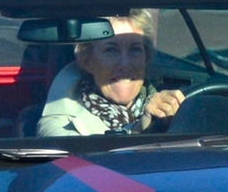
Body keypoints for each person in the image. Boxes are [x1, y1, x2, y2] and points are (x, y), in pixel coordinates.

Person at [37, 12, 184, 136]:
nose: (125, 65)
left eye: (135, 49)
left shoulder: (168, 108)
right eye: (111, 50)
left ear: (146, 59)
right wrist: (140, 129)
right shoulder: (58, 125)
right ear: (87, 61)